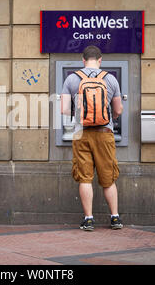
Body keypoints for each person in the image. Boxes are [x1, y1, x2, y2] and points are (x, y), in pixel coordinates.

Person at [61, 45, 123, 231]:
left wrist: (80, 113)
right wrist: (110, 117)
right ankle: (115, 218)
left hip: (81, 134)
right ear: (100, 60)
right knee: (108, 178)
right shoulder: (110, 79)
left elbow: (63, 109)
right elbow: (118, 110)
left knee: (85, 178)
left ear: (83, 60)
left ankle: (88, 219)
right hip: (105, 134)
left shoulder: (72, 79)